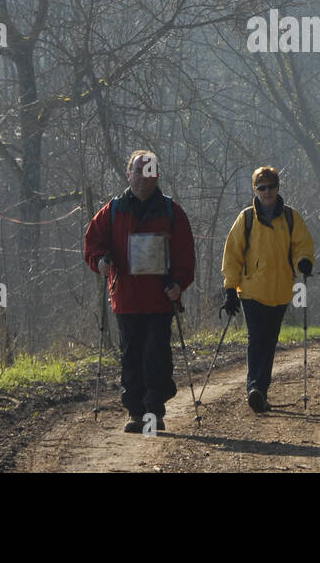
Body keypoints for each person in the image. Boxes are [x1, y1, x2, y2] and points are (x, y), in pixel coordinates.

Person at [84, 150, 194, 432]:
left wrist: (179, 284)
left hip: (160, 299)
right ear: (128, 174)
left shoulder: (172, 212)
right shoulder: (112, 211)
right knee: (131, 357)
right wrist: (100, 261)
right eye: (137, 172)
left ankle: (153, 413)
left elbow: (185, 255)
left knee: (156, 356)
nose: (143, 179)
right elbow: (93, 242)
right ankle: (136, 412)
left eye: (149, 173)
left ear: (156, 176)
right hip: (127, 299)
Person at [220, 166, 315, 414]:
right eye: (262, 187)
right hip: (251, 291)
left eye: (271, 186)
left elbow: (302, 245)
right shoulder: (246, 218)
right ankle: (256, 388)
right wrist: (230, 289)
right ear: (255, 190)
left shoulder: (291, 218)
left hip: (281, 291)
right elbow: (233, 255)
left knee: (269, 341)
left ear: (277, 188)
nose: (267, 191)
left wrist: (303, 261)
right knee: (257, 339)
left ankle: (260, 391)